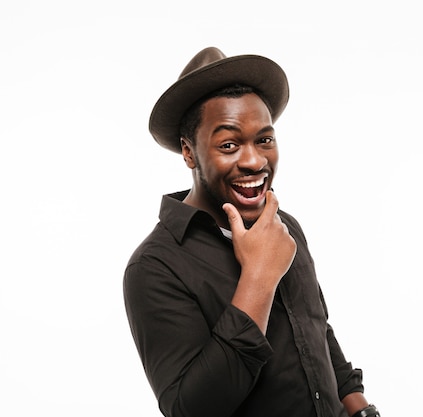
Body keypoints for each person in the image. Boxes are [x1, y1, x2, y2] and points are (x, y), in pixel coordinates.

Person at [123, 46, 380, 417]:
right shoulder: (155, 266)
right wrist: (259, 279)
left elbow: (316, 330)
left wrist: (362, 410)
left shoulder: (284, 227)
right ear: (189, 152)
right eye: (229, 144)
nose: (254, 161)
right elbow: (193, 409)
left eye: (264, 140)